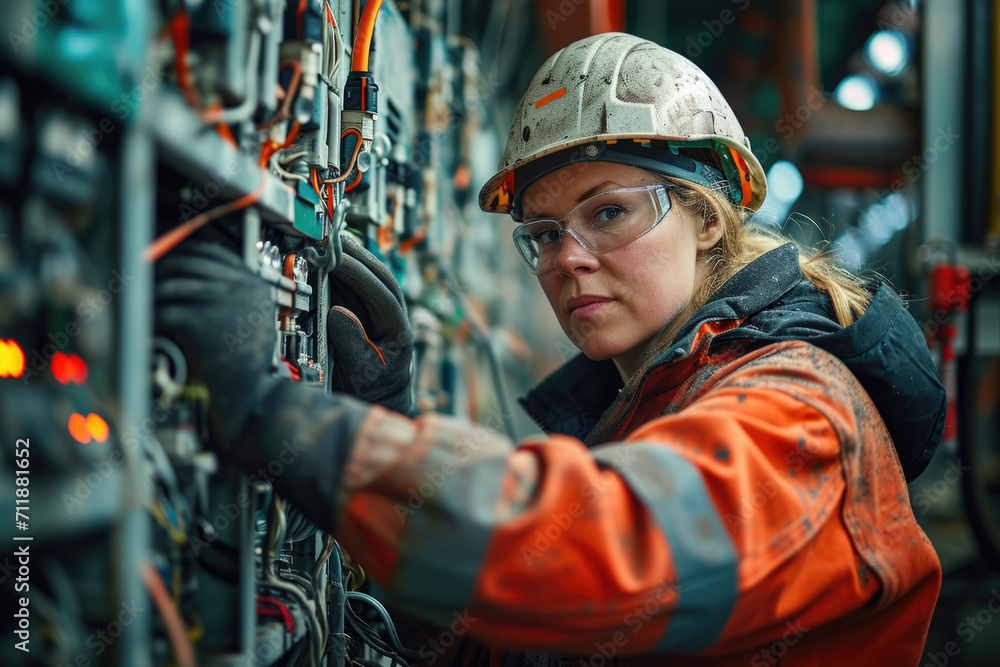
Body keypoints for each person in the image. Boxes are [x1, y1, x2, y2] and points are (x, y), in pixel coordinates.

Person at [157, 33, 945, 666]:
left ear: (707, 219)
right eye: (542, 233)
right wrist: (379, 424)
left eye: (608, 214)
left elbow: (594, 557)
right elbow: (501, 626)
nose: (567, 259)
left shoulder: (803, 414)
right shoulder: (647, 408)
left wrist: (291, 423)